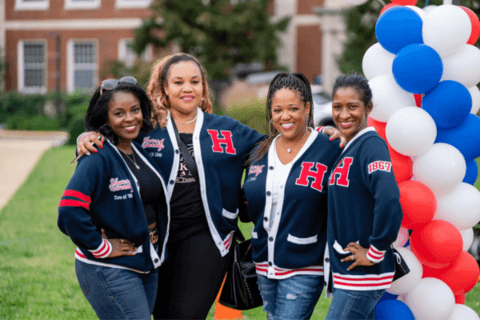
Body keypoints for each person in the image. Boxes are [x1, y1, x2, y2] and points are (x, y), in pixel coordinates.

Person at [76, 53, 343, 319]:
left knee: (186, 314)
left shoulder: (227, 129)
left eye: (195, 81)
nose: (187, 88)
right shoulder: (146, 130)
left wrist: (319, 135)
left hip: (207, 239)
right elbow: (113, 140)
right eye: (178, 82)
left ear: (204, 88)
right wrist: (88, 135)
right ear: (164, 89)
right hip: (156, 241)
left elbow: (277, 143)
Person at [58, 78, 170, 319]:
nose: (130, 118)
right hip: (110, 268)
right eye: (119, 113)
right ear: (105, 118)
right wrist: (101, 247)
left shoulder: (138, 148)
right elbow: (69, 210)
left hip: (146, 260)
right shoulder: (97, 155)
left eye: (135, 110)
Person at [242, 73, 343, 320]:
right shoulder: (259, 151)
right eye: (277, 110)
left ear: (307, 108)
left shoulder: (331, 146)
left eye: (293, 108)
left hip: (305, 265)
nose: (284, 116)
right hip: (264, 265)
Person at [325, 74, 402, 320]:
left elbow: (389, 198)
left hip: (361, 276)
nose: (344, 114)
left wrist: (375, 251)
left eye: (352, 106)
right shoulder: (350, 145)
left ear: (368, 108)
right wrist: (324, 130)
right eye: (338, 107)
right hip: (348, 271)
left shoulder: (371, 145)